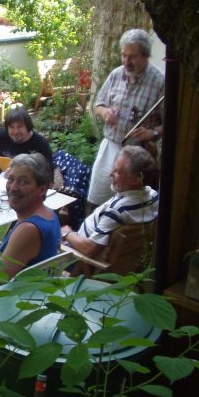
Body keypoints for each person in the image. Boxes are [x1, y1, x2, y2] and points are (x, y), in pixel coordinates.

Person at [88, 29, 164, 206]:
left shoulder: (160, 81)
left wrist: (152, 133)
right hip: (110, 146)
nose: (126, 61)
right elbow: (98, 105)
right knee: (97, 199)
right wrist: (105, 112)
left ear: (146, 56)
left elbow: (172, 125)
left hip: (139, 155)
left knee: (130, 204)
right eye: (124, 55)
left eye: (132, 57)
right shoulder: (116, 74)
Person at [0, 153, 61, 290]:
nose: (13, 188)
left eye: (23, 182)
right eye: (11, 179)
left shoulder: (29, 229)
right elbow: (25, 257)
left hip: (9, 297)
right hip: (27, 289)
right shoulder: (50, 214)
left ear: (42, 189)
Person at [62, 146, 159, 258]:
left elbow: (90, 249)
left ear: (135, 180)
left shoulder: (117, 210)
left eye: (117, 171)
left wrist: (66, 232)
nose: (111, 174)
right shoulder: (153, 197)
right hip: (126, 258)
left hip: (79, 258)